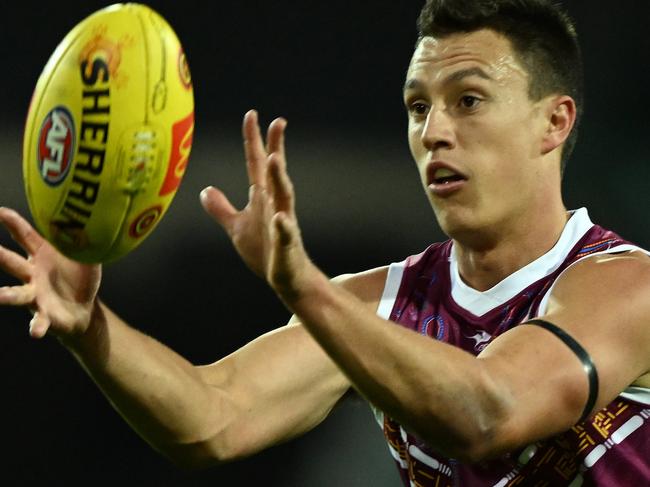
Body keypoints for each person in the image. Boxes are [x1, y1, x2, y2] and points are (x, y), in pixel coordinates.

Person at [1, 0, 649, 485]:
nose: (433, 132)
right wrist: (90, 329)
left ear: (554, 121)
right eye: (418, 107)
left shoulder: (627, 286)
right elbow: (213, 416)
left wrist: (303, 286)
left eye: (469, 99)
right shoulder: (379, 304)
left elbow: (488, 411)